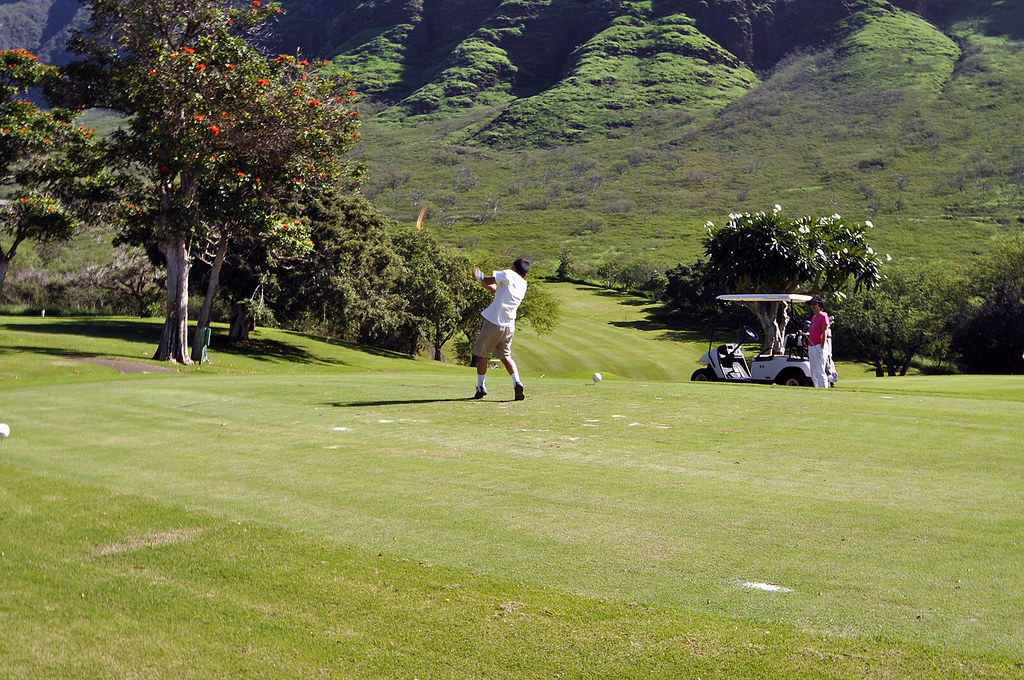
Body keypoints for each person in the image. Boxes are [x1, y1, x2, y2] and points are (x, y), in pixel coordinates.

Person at [470, 258, 529, 400]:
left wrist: (478, 276)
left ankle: (481, 387)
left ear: (514, 267)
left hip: (494, 321)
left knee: (482, 354)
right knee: (506, 356)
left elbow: (488, 280)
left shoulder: (509, 274)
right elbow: (496, 291)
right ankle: (517, 382)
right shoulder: (523, 284)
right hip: (509, 325)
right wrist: (482, 281)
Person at [807, 295, 831, 389]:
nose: (812, 306)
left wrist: (822, 347)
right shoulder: (814, 317)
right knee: (813, 371)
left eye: (815, 304)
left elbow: (824, 333)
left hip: (819, 346)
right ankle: (816, 389)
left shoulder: (823, 316)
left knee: (820, 370)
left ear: (820, 306)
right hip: (811, 346)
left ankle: (823, 389)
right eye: (811, 304)